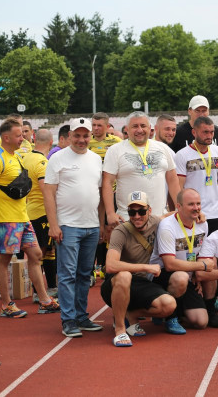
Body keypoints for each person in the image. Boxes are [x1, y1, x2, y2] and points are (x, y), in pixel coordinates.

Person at [0, 119, 60, 318]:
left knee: (36, 254)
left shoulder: (15, 156)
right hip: (5, 218)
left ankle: (44, 300)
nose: (23, 139)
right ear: (6, 137)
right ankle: (6, 304)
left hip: (23, 217)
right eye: (18, 135)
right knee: (3, 259)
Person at [44, 118, 103, 337]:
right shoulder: (57, 158)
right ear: (69, 136)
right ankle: (68, 320)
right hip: (67, 226)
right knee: (67, 274)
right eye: (77, 135)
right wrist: (53, 225)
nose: (81, 139)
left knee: (84, 274)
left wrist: (101, 224)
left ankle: (81, 316)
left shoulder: (96, 159)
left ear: (90, 136)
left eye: (85, 135)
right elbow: (48, 193)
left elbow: (100, 194)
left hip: (92, 226)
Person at [102, 191, 177, 347]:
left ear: (149, 211)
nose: (137, 216)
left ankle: (130, 314)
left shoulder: (155, 222)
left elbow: (173, 214)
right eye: (132, 212)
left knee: (169, 305)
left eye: (141, 211)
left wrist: (198, 214)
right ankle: (120, 330)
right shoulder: (120, 231)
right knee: (125, 276)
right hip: (116, 284)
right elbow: (110, 265)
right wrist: (145, 267)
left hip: (140, 283)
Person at [149, 188, 213, 333]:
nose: (196, 208)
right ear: (178, 206)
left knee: (201, 322)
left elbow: (201, 254)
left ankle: (168, 311)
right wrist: (201, 266)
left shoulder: (203, 223)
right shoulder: (167, 226)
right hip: (161, 275)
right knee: (181, 278)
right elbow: (169, 264)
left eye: (198, 203)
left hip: (187, 273)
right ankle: (170, 317)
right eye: (191, 204)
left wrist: (197, 274)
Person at [103, 112, 180, 226]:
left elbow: (172, 180)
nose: (139, 130)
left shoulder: (163, 148)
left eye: (143, 126)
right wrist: (110, 213)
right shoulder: (115, 150)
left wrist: (180, 208)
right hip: (128, 220)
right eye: (135, 126)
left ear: (149, 128)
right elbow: (107, 182)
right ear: (127, 129)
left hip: (160, 219)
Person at [175, 116, 218, 232]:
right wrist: (183, 211)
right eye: (205, 132)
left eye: (212, 132)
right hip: (193, 214)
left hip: (216, 213)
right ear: (194, 132)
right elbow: (179, 187)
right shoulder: (182, 155)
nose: (209, 136)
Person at [88, 112, 123, 283]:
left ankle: (106, 265)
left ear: (107, 127)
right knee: (95, 230)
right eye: (93, 125)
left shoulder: (116, 142)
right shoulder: (87, 142)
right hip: (92, 193)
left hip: (112, 193)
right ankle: (92, 269)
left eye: (99, 125)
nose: (95, 128)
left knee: (111, 229)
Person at [24, 129, 58, 299]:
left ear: (34, 139)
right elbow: (47, 191)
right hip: (41, 212)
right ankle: (39, 292)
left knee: (46, 253)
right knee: (39, 255)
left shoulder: (26, 157)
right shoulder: (42, 162)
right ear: (51, 142)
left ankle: (50, 287)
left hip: (30, 210)